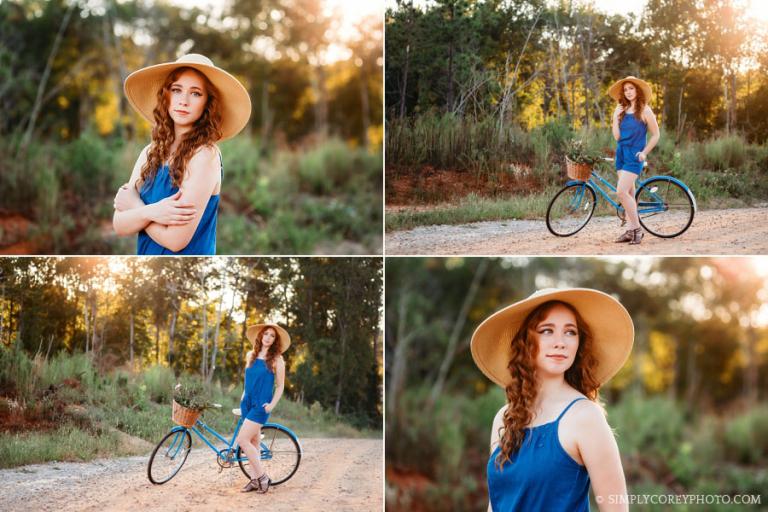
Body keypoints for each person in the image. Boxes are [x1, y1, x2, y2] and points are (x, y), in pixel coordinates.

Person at [471, 288, 633, 511]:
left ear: (579, 343)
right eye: (547, 330)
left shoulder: (585, 417)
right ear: (526, 341)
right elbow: (496, 504)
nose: (560, 342)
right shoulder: (504, 418)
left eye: (570, 332)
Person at [112, 54, 251, 254]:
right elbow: (119, 224)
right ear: (166, 95)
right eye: (177, 90)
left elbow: (175, 240)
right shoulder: (150, 152)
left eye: (196, 93)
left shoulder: (205, 156)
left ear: (208, 103)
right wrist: (152, 212)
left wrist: (135, 207)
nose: (183, 101)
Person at [237, 323, 289, 494]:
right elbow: (248, 380)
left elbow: (280, 386)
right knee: (254, 442)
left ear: (275, 340)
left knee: (242, 440)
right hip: (247, 403)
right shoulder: (250, 355)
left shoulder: (277, 360)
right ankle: (254, 481)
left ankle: (263, 477)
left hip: (261, 405)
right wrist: (243, 396)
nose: (268, 337)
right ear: (260, 336)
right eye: (265, 333)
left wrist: (271, 405)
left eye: (272, 335)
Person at [608, 76, 660, 246]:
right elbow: (617, 137)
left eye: (631, 88)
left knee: (621, 192)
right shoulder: (621, 111)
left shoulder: (645, 110)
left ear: (637, 90)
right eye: (625, 90)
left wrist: (645, 152)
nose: (628, 92)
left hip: (635, 155)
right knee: (629, 194)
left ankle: (637, 229)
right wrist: (615, 116)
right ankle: (630, 231)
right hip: (621, 153)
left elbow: (656, 135)